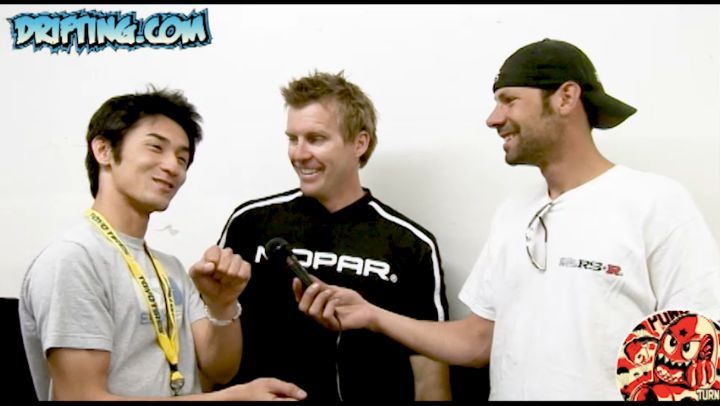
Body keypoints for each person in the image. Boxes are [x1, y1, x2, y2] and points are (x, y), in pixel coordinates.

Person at [293, 39, 720, 400]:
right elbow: (478, 342)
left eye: (509, 100)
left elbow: (697, 361)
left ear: (566, 98)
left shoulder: (655, 204)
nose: (493, 118)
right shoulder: (514, 212)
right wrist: (372, 315)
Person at [18, 87, 306, 401]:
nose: (172, 167)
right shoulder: (73, 259)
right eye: (156, 147)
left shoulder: (171, 268)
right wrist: (230, 400)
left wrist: (222, 304)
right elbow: (81, 398)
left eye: (182, 158)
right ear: (103, 150)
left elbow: (220, 370)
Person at [215, 71, 451, 401]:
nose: (299, 154)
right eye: (292, 139)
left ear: (359, 143)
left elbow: (430, 375)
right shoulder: (250, 222)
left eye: (315, 139)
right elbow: (212, 339)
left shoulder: (410, 244)